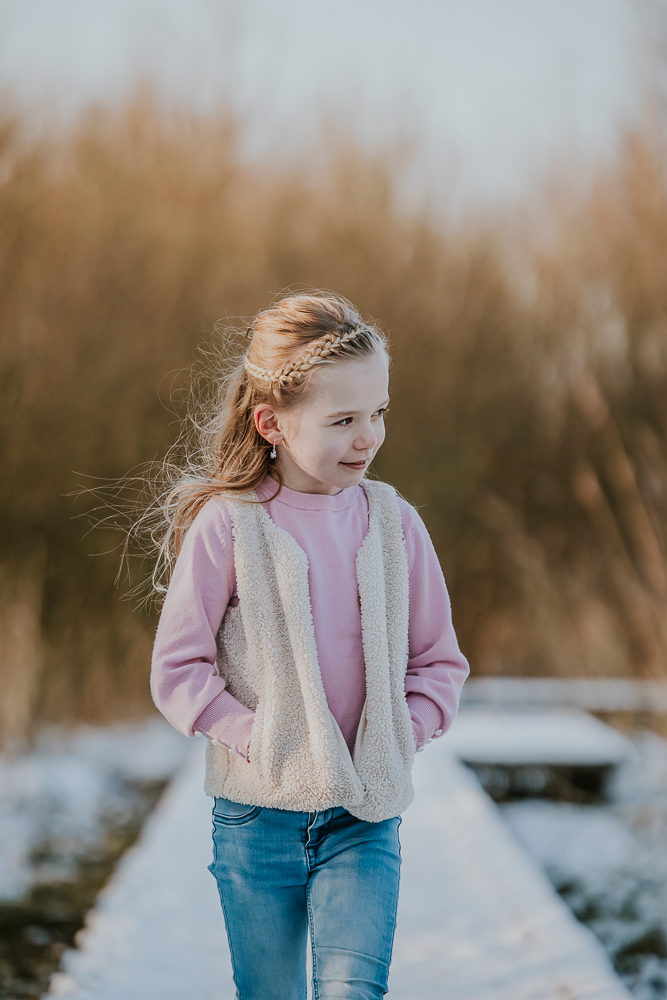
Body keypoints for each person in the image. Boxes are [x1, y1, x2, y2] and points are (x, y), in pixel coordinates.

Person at [150, 291, 469, 1000]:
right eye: (343, 420)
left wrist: (400, 731)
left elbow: (438, 662)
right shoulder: (229, 527)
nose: (369, 437)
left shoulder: (396, 526)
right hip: (256, 815)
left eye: (379, 413)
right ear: (273, 424)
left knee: (353, 991)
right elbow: (179, 669)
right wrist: (259, 737)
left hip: (364, 813)